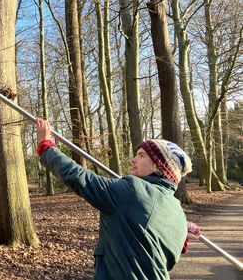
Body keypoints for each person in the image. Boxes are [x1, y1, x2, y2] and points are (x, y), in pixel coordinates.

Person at [36, 118, 197, 280]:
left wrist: (46, 147)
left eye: (141, 156)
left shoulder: (133, 190)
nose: (133, 160)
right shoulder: (177, 213)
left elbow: (80, 178)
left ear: (159, 165)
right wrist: (181, 232)